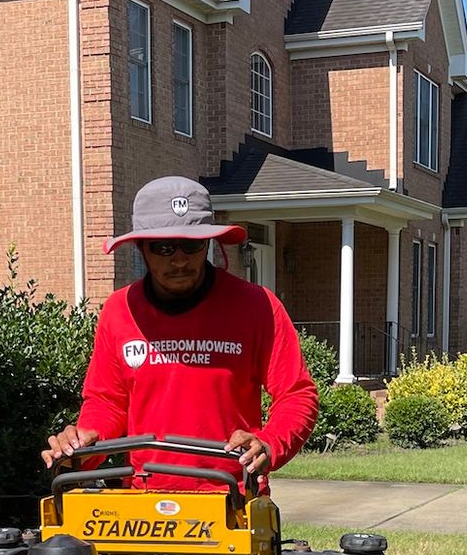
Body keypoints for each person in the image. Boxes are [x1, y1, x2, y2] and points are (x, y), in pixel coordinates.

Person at [44, 176, 319, 490]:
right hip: (143, 500)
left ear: (209, 243)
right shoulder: (119, 311)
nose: (179, 260)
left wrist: (269, 443)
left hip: (233, 497)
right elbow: (107, 402)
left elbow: (296, 394)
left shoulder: (257, 306)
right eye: (163, 247)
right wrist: (82, 443)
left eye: (192, 244)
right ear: (141, 248)